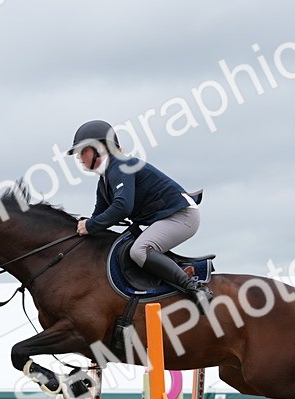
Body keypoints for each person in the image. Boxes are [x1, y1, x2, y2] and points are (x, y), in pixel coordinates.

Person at [68, 120, 212, 311]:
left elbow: (122, 207)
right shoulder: (104, 180)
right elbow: (99, 216)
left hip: (182, 216)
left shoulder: (121, 165)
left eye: (82, 151)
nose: (79, 157)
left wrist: (91, 225)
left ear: (99, 148)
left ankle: (194, 287)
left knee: (139, 251)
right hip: (168, 217)